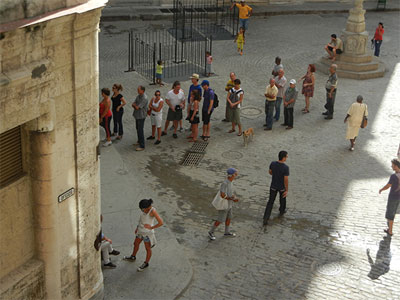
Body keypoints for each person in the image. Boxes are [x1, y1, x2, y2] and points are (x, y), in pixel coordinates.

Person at [124, 199, 163, 271]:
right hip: (140, 231)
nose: (142, 211)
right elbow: (141, 219)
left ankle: (146, 263)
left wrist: (151, 227)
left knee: (147, 248)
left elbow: (161, 222)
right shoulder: (144, 210)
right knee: (136, 243)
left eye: (143, 210)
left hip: (147, 234)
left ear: (147, 208)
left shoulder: (152, 211)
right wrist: (137, 227)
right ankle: (133, 256)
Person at [208, 168, 239, 240]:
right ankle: (211, 232)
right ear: (231, 175)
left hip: (229, 205)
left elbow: (230, 193)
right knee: (220, 220)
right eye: (235, 174)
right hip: (224, 205)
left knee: (229, 218)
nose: (236, 175)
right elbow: (222, 195)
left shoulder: (231, 182)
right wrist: (232, 199)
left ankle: (227, 232)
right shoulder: (225, 183)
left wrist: (233, 197)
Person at [263, 151, 289, 226]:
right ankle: (282, 210)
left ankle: (266, 217)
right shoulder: (285, 168)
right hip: (281, 187)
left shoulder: (273, 163)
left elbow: (270, 172)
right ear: (283, 157)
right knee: (282, 199)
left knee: (270, 202)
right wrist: (286, 189)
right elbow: (286, 179)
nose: (286, 158)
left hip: (273, 186)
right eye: (286, 156)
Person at [379, 159, 400, 236]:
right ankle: (389, 228)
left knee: (390, 213)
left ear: (396, 166)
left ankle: (390, 231)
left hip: (393, 197)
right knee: (393, 212)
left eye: (392, 165)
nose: (391, 166)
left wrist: (381, 189)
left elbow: (388, 186)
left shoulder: (394, 176)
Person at [132, 86, 148, 151]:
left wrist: (135, 105)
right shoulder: (138, 96)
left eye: (139, 90)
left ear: (142, 91)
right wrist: (135, 105)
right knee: (137, 128)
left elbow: (137, 107)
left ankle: (142, 145)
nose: (137, 91)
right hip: (137, 115)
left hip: (141, 116)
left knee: (140, 130)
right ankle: (139, 141)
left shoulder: (144, 98)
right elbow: (134, 103)